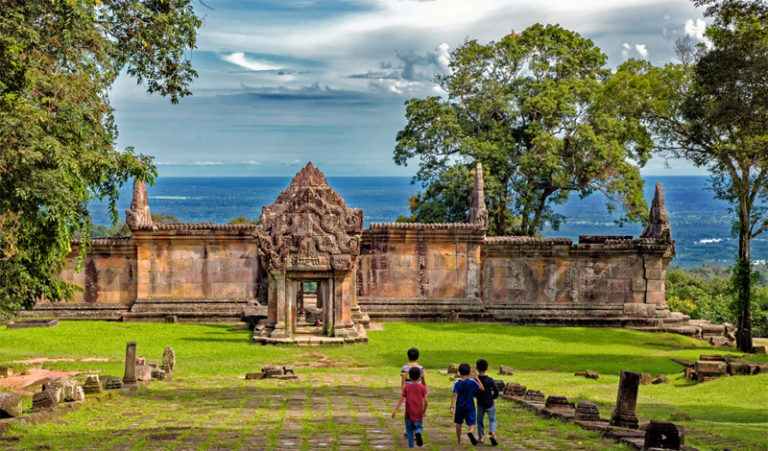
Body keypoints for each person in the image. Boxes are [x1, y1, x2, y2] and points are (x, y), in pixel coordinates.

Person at [392, 366, 429, 448]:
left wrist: (395, 410)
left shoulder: (407, 387)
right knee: (419, 426)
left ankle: (411, 446)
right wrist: (424, 411)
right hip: (418, 412)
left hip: (408, 412)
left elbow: (402, 399)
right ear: (419, 376)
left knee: (409, 429)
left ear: (409, 376)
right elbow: (426, 401)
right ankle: (418, 433)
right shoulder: (423, 388)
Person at [450, 363, 484, 445]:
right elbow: (481, 388)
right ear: (469, 372)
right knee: (472, 423)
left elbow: (454, 395)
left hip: (459, 406)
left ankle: (459, 441)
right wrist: (477, 379)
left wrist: (452, 406)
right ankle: (471, 432)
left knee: (458, 423)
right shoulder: (472, 382)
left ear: (459, 372)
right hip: (470, 406)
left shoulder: (457, 382)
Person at [475, 358, 499, 446]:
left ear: (476, 368)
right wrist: (493, 397)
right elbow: (496, 390)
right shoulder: (490, 380)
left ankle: (480, 437)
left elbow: (474, 391)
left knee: (480, 420)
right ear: (487, 368)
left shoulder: (476, 380)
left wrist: (476, 396)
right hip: (489, 402)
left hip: (480, 403)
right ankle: (492, 432)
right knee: (492, 419)